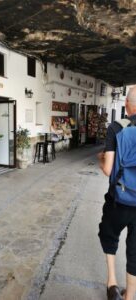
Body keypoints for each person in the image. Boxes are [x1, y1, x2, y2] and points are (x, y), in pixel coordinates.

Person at [98, 86, 136, 300]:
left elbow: (108, 170)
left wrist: (100, 159)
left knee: (109, 235)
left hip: (119, 200)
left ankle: (112, 284)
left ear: (127, 106)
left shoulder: (116, 128)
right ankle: (130, 296)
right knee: (135, 249)